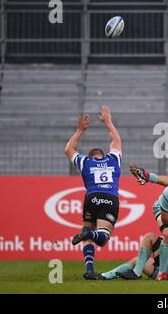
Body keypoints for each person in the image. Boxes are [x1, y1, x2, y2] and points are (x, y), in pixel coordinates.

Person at [64, 106, 122, 280]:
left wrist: (80, 130)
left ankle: (89, 270)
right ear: (103, 154)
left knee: (88, 232)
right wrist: (108, 122)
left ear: (91, 155)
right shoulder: (114, 159)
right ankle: (89, 233)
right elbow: (116, 139)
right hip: (110, 198)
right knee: (102, 237)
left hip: (91, 198)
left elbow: (69, 149)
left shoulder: (85, 162)